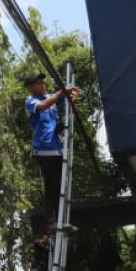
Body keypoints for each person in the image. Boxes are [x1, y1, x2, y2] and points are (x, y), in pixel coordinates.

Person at [23, 73, 80, 236]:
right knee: (52, 184)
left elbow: (60, 99)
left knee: (61, 184)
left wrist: (71, 94)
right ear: (30, 88)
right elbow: (45, 105)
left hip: (56, 147)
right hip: (43, 149)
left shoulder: (50, 98)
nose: (42, 85)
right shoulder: (32, 101)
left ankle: (60, 220)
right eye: (38, 83)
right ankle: (51, 220)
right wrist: (63, 91)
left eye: (42, 82)